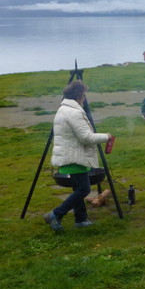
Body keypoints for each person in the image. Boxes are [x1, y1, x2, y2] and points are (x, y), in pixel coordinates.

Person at [43, 80, 112, 231]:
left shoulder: (63, 109)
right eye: (84, 96)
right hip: (74, 157)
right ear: (79, 96)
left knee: (78, 189)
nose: (85, 99)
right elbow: (86, 137)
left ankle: (80, 219)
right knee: (84, 189)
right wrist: (106, 137)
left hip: (68, 155)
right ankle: (56, 214)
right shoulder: (74, 112)